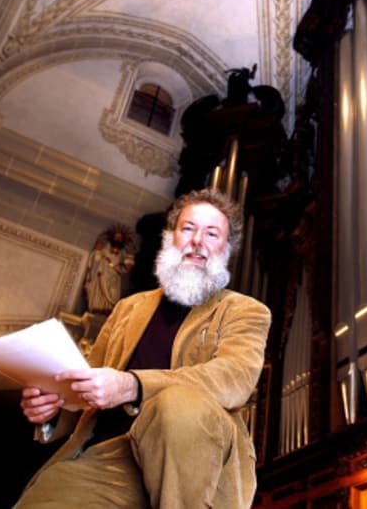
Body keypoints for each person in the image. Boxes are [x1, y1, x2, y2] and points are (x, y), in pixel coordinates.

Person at [15, 188, 271, 508]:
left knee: (176, 406)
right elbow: (87, 386)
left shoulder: (246, 311)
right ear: (170, 237)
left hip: (193, 452)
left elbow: (233, 379)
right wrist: (54, 407)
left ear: (226, 248)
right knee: (46, 496)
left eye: (212, 233)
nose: (197, 241)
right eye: (188, 228)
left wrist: (132, 386)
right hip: (109, 454)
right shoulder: (127, 308)